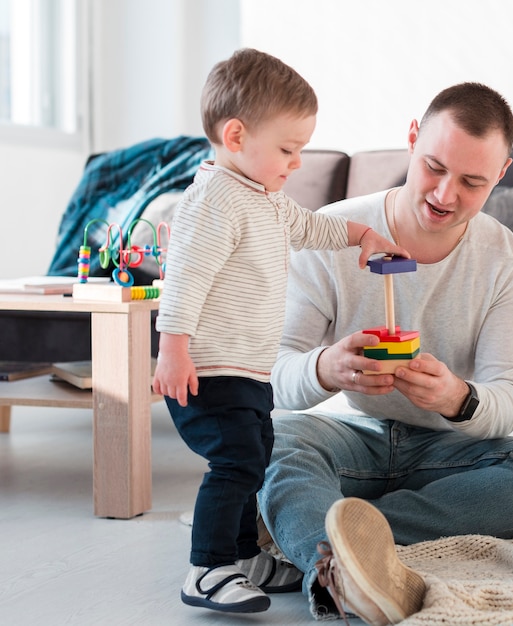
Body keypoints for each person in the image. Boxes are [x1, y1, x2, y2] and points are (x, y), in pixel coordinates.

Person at [258, 82, 513, 624]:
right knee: (269, 438)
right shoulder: (333, 234)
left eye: (471, 181)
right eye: (434, 167)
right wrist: (326, 368)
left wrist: (458, 398)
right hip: (352, 441)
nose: (444, 194)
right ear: (412, 139)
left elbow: (510, 398)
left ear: (501, 174)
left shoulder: (508, 262)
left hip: (448, 459)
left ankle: (341, 537)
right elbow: (271, 378)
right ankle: (338, 566)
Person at [151, 48, 408, 616]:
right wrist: (172, 350)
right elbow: (184, 279)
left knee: (255, 455)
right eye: (288, 150)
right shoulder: (215, 201)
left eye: (301, 151)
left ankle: (242, 555)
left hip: (246, 369)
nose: (296, 163)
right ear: (236, 135)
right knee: (237, 462)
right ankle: (207, 567)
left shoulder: (264, 199)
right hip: (208, 366)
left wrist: (362, 233)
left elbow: (312, 226)